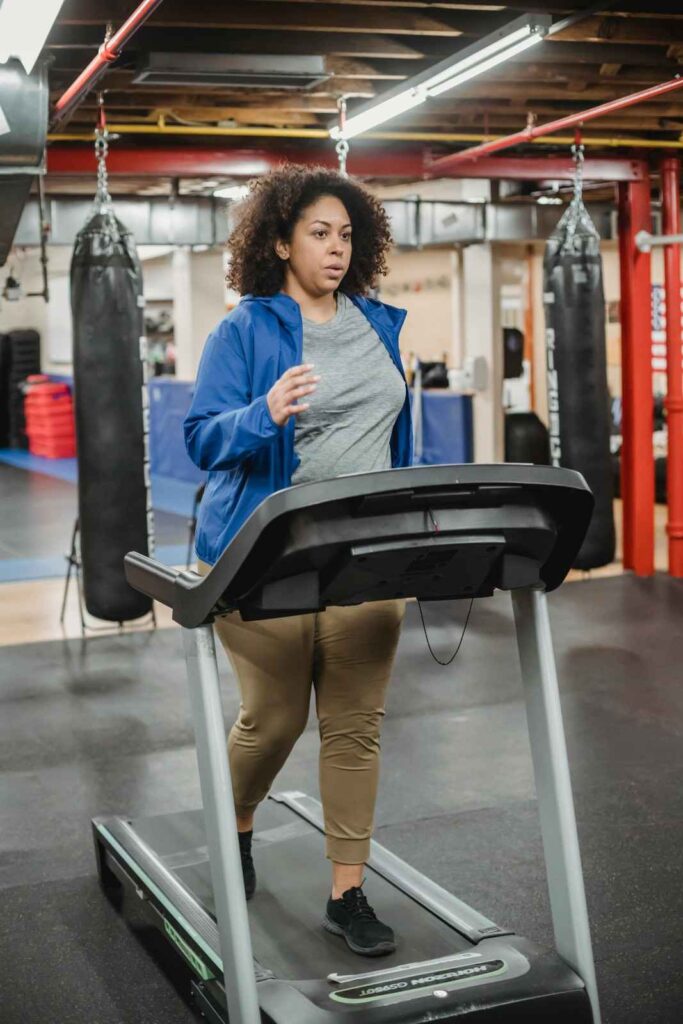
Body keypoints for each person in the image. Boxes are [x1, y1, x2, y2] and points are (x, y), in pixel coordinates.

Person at [184, 164, 412, 956]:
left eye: (346, 234)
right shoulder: (244, 331)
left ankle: (347, 892)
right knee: (275, 719)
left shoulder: (378, 323)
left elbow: (390, 436)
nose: (336, 247)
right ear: (279, 242)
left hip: (366, 557)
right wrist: (263, 412)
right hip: (266, 557)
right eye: (318, 232)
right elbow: (200, 437)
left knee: (354, 729)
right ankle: (236, 823)